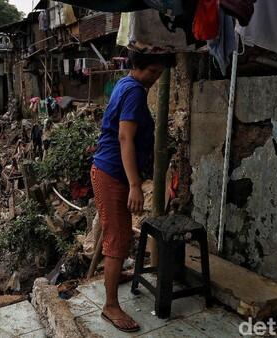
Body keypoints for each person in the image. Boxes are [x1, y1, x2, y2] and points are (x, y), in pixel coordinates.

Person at [91, 50, 167, 332]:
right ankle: (110, 306)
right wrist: (135, 185)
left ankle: (115, 275)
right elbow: (125, 137)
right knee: (118, 238)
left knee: (118, 234)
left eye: (159, 74)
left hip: (110, 170)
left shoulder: (126, 83)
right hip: (112, 173)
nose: (154, 79)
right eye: (152, 73)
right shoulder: (134, 91)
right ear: (137, 67)